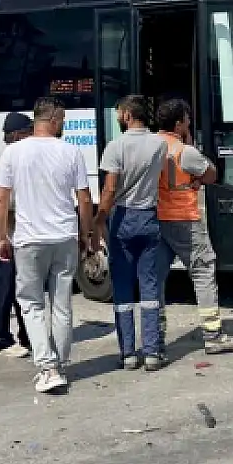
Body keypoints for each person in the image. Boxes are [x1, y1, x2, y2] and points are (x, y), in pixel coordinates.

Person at [0, 98, 95, 395]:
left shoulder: (12, 153)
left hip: (29, 239)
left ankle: (47, 367)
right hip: (64, 237)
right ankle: (60, 363)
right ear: (53, 119)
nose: (63, 126)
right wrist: (86, 234)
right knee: (61, 303)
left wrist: (1, 238)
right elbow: (84, 198)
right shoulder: (71, 151)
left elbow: (1, 198)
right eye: (62, 120)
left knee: (32, 304)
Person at [153, 98, 233, 355]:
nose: (190, 122)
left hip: (157, 220)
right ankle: (213, 335)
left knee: (156, 279)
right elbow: (211, 173)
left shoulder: (151, 145)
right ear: (180, 122)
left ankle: (155, 340)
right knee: (203, 272)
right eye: (187, 119)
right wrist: (189, 143)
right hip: (184, 220)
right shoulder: (185, 151)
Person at [96, 94, 167, 370]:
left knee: (123, 287)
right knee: (149, 286)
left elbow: (110, 188)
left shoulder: (116, 146)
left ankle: (128, 354)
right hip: (150, 217)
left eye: (118, 113)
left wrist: (99, 218)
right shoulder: (159, 145)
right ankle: (151, 352)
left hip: (123, 218)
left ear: (126, 115)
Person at [0, 112, 34, 358]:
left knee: (22, 290)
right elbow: (5, 202)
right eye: (28, 131)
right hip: (5, 238)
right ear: (17, 135)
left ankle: (26, 336)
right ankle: (2, 339)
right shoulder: (5, 161)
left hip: (18, 237)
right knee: (4, 291)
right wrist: (2, 237)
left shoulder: (16, 157)